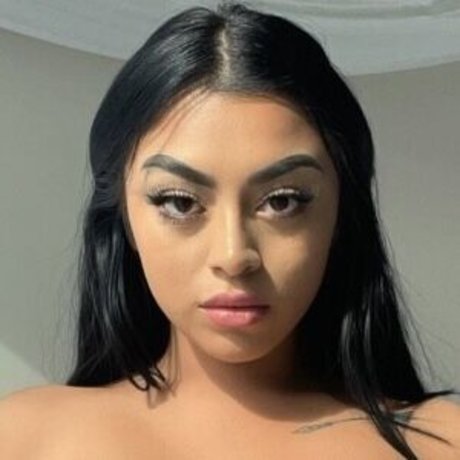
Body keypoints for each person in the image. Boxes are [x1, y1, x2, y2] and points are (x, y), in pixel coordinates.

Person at [1, 2, 459, 459]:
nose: (234, 255)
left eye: (282, 201)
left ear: (342, 214)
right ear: (125, 216)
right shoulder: (24, 438)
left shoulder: (442, 442)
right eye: (180, 202)